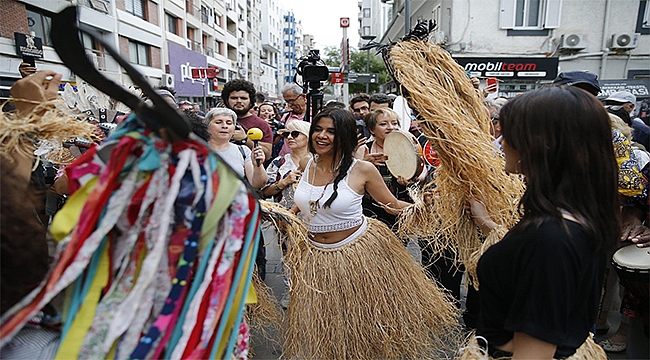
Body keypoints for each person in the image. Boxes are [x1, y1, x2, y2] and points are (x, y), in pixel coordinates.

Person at [274, 108, 458, 359]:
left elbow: (391, 205)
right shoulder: (308, 164)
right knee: (328, 325)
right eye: (318, 129)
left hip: (357, 256)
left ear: (346, 135)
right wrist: (285, 216)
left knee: (360, 324)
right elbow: (307, 202)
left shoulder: (362, 169)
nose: (322, 136)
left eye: (331, 131)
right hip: (315, 258)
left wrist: (423, 208)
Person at [466, 86, 619, 358]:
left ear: (539, 143)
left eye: (509, 133)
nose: (500, 142)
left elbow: (534, 353)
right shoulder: (575, 218)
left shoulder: (551, 238)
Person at [354, 108, 424, 230]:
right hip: (372, 211)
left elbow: (422, 170)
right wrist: (364, 164)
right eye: (383, 124)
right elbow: (353, 179)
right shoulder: (364, 150)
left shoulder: (408, 146)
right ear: (372, 129)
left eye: (394, 123)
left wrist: (415, 179)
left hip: (401, 208)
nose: (390, 127)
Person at [204, 107, 267, 189]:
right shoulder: (197, 150)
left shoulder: (243, 151)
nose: (224, 126)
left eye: (229, 123)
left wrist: (258, 166)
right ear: (207, 126)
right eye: (218, 122)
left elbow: (258, 184)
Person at [222, 79, 273, 161]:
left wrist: (245, 139)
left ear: (251, 101)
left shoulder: (261, 124)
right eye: (234, 98)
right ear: (226, 100)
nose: (239, 101)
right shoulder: (216, 122)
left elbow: (267, 154)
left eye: (243, 98)